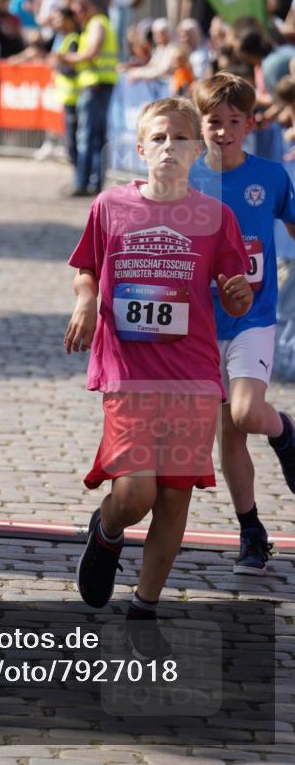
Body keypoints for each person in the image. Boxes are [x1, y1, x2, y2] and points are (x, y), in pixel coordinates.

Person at [64, 97, 252, 649]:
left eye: (181, 138)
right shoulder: (111, 206)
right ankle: (108, 528)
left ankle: (144, 609)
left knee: (173, 498)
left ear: (198, 150)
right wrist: (85, 300)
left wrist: (238, 295)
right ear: (141, 149)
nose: (170, 147)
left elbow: (235, 293)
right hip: (129, 372)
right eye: (159, 138)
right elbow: (86, 268)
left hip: (192, 376)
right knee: (136, 493)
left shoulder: (216, 217)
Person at [189, 74, 295, 573]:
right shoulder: (186, 178)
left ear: (251, 125)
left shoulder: (270, 176)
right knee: (229, 435)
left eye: (234, 122)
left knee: (248, 414)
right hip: (201, 323)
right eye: (214, 122)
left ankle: (285, 433)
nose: (223, 131)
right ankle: (251, 531)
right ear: (199, 124)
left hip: (254, 316)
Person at [64, 0, 119, 196]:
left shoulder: (96, 24)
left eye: (79, 9)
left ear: (88, 6)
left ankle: (82, 183)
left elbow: (91, 53)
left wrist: (66, 58)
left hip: (95, 86)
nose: (77, 14)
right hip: (100, 85)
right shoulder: (99, 23)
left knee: (87, 136)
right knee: (95, 137)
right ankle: (94, 183)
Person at [46, 8, 80, 185]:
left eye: (60, 19)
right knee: (70, 143)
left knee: (74, 143)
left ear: (69, 19)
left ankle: (80, 179)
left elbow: (73, 69)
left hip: (75, 98)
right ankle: (78, 178)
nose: (56, 23)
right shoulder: (64, 39)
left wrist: (59, 64)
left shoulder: (74, 39)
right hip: (68, 98)